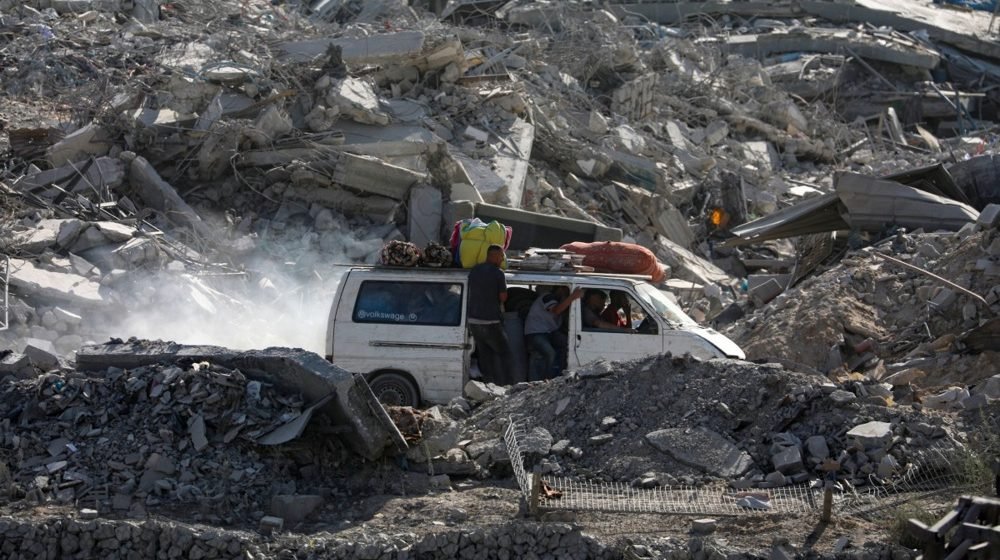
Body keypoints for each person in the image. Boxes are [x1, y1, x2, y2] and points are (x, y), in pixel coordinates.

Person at [467, 245, 514, 385]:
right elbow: (503, 297)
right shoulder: (498, 273)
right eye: (501, 256)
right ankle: (509, 387)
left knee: (485, 355)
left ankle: (489, 386)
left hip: (474, 321)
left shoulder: (474, 270)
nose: (502, 259)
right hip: (491, 322)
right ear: (493, 256)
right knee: (505, 354)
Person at [524, 286, 583, 381]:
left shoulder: (559, 300)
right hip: (536, 332)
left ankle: (560, 374)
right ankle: (548, 381)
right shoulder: (548, 297)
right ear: (560, 289)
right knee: (550, 353)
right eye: (565, 291)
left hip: (549, 332)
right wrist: (572, 296)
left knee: (568, 345)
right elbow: (556, 310)